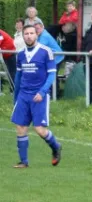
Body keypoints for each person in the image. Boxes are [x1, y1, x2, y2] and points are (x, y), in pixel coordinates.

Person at [10, 25, 62, 168]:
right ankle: (24, 162)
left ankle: (56, 147)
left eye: (31, 33)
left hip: (39, 95)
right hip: (23, 95)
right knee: (20, 127)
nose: (29, 36)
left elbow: (51, 74)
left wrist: (42, 92)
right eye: (26, 33)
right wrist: (16, 97)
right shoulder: (20, 54)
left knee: (39, 130)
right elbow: (19, 77)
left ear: (36, 35)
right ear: (23, 36)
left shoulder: (46, 52)